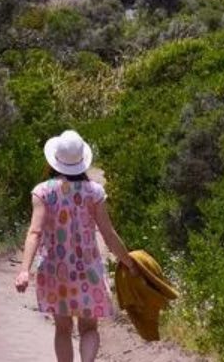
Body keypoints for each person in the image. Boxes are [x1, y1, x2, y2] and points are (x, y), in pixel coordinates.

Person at [15, 130, 136, 362]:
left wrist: (24, 270)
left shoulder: (42, 192)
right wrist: (129, 262)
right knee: (89, 329)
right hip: (88, 272)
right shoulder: (94, 192)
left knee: (62, 330)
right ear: (82, 161)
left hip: (55, 271)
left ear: (55, 160)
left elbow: (35, 232)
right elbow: (109, 235)